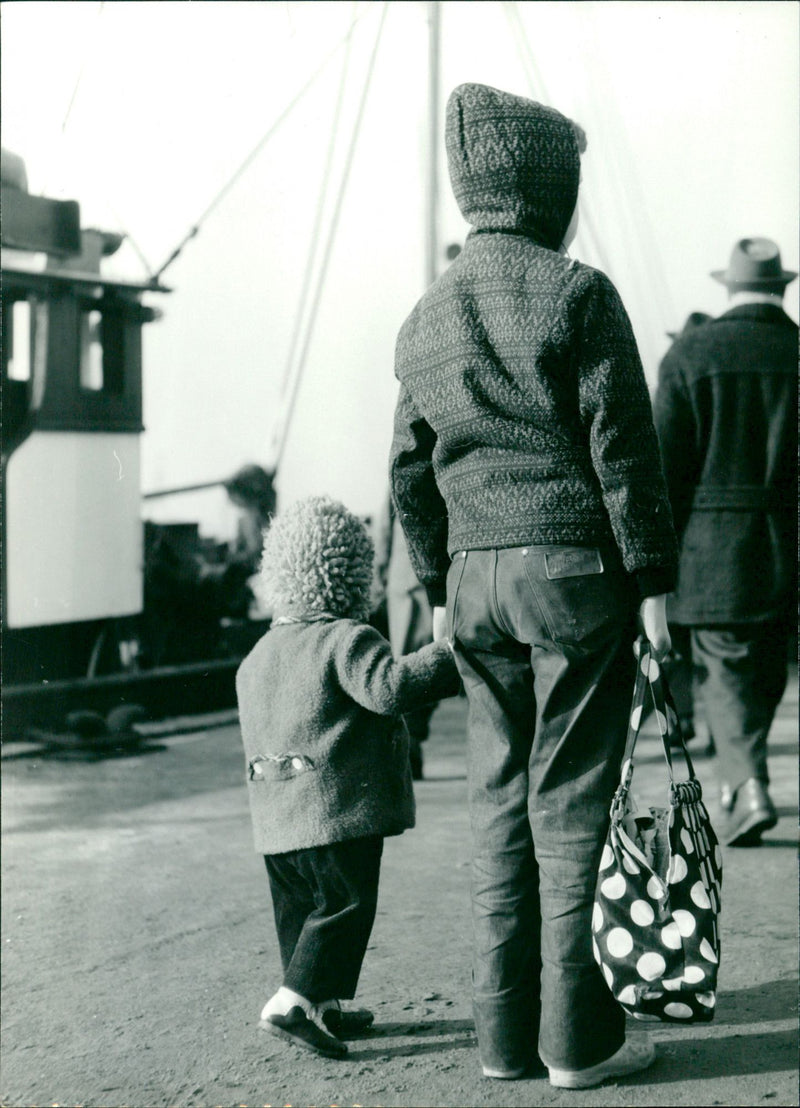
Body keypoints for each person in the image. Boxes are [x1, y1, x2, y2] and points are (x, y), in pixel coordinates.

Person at [390, 83, 678, 1089]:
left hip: (471, 581)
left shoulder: (423, 316)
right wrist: (649, 583)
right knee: (570, 802)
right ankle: (576, 1041)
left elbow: (406, 472)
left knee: (497, 802)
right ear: (547, 186)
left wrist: (434, 582)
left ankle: (501, 1040)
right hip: (570, 572)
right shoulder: (577, 292)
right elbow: (622, 453)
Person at [235, 495, 459, 1059]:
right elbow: (390, 689)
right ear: (355, 574)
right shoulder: (346, 640)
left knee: (301, 914)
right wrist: (447, 656)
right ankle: (292, 1003)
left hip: (277, 824)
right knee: (345, 907)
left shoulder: (256, 657)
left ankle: (323, 1006)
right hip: (336, 815)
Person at [653, 237, 798, 847]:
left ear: (728, 288)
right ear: (783, 288)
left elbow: (662, 471)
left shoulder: (689, 353)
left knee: (727, 672)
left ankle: (747, 788)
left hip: (709, 555)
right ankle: (743, 781)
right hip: (785, 547)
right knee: (763, 672)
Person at [373, 494, 437, 779]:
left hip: (422, 582)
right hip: (411, 586)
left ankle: (412, 745)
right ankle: (411, 747)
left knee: (425, 667)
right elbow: (382, 531)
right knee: (413, 667)